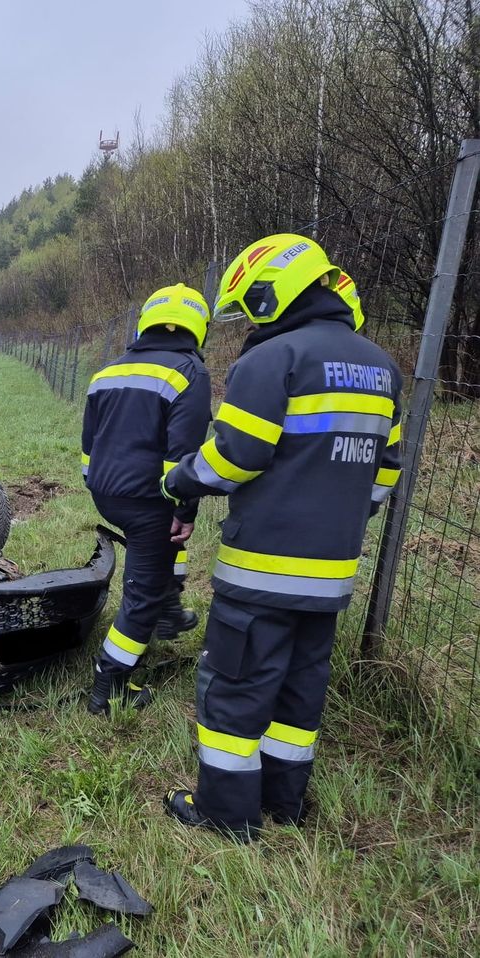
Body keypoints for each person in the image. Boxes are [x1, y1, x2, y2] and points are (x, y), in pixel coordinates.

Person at [161, 234, 403, 841]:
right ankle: (283, 803)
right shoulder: (383, 367)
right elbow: (385, 474)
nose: (250, 321)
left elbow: (234, 457)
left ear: (271, 294)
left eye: (249, 307)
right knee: (299, 693)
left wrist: (180, 477)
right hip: (331, 576)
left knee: (234, 690)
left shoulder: (273, 359)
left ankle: (225, 814)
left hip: (261, 571)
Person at [81, 284, 212, 714]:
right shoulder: (189, 373)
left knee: (162, 550)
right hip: (149, 499)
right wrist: (185, 508)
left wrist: (97, 482)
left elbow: (88, 444)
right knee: (143, 593)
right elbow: (184, 456)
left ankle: (168, 611)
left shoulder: (107, 372)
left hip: (105, 492)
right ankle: (110, 684)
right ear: (197, 328)